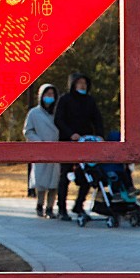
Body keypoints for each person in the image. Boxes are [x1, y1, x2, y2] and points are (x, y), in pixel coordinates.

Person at [53, 72, 106, 221]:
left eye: (85, 83)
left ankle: (78, 205)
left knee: (88, 173)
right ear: (73, 84)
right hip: (68, 142)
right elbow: (58, 120)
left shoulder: (90, 100)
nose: (83, 86)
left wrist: (100, 135)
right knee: (65, 175)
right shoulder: (65, 99)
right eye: (79, 83)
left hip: (86, 142)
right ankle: (62, 209)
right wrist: (70, 134)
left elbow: (97, 119)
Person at [21, 83, 61, 217]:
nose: (50, 97)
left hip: (56, 151)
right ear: (41, 96)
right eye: (47, 94)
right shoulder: (34, 113)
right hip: (41, 150)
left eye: (52, 94)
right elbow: (28, 131)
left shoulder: (58, 113)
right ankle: (39, 204)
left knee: (54, 182)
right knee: (41, 181)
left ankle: (50, 208)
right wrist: (39, 142)